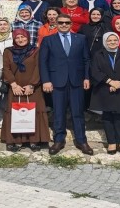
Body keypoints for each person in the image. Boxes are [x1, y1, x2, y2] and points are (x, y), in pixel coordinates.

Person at [39, 14, 93, 155]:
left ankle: (82, 141)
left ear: (71, 24)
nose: (64, 25)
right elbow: (43, 62)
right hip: (56, 81)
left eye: (67, 22)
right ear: (56, 24)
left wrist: (87, 77)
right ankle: (59, 140)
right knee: (58, 112)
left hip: (77, 81)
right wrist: (46, 80)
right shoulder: (48, 40)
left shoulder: (80, 39)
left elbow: (86, 59)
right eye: (61, 22)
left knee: (78, 112)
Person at [1, 29, 50, 151]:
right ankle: (16, 140)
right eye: (17, 38)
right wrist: (13, 84)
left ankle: (34, 140)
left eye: (23, 37)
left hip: (33, 87)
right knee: (17, 112)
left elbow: (39, 67)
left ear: (28, 37)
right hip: (16, 87)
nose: (20, 40)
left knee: (34, 111)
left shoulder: (36, 51)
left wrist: (32, 85)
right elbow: (6, 68)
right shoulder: (8, 51)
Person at [90, 32, 120, 156]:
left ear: (118, 41)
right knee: (108, 117)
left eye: (115, 40)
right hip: (105, 89)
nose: (112, 42)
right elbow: (94, 70)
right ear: (105, 42)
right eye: (109, 40)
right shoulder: (98, 55)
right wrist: (110, 82)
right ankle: (111, 142)